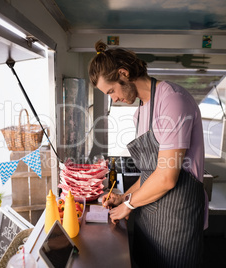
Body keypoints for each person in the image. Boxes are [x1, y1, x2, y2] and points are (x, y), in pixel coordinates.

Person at [88, 40, 207, 268]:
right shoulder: (140, 113)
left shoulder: (172, 101)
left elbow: (166, 177)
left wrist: (129, 205)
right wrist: (123, 198)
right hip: (149, 219)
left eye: (111, 90)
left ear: (124, 73)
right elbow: (149, 173)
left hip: (176, 222)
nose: (113, 98)